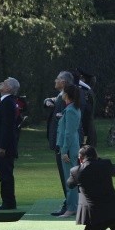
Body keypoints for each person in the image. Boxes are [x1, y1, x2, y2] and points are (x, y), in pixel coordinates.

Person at [67, 145, 115, 230]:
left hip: (96, 215)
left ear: (81, 158)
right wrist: (99, 160)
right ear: (96, 155)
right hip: (114, 209)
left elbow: (70, 184)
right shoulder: (105, 164)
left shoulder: (76, 171)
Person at [0, 77, 20, 210]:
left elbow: (7, 126)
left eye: (4, 82)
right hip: (1, 144)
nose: (1, 83)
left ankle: (8, 202)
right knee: (3, 174)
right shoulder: (4, 102)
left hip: (4, 147)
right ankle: (7, 201)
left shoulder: (7, 102)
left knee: (5, 174)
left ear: (9, 88)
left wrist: (2, 145)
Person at [44, 70, 73, 216]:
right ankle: (69, 203)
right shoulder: (61, 96)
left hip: (63, 143)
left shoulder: (67, 97)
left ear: (63, 82)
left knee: (67, 176)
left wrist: (63, 146)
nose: (55, 81)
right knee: (66, 175)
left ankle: (70, 205)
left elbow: (67, 124)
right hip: (61, 143)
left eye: (57, 79)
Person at [56, 84, 81, 218]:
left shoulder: (71, 110)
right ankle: (73, 206)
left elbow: (69, 133)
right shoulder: (71, 109)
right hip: (70, 147)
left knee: (69, 179)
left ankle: (72, 208)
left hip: (69, 148)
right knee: (70, 178)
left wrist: (64, 150)